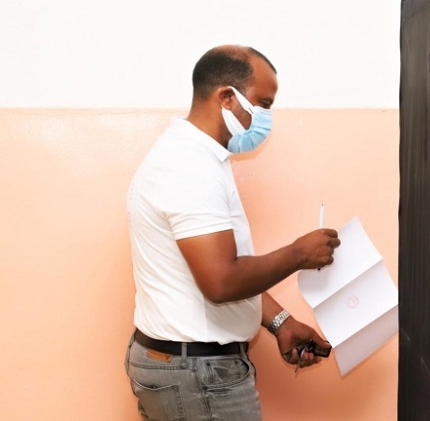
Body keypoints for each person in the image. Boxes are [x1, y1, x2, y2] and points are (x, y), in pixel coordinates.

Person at [124, 45, 340, 421]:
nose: (266, 117)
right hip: (196, 375)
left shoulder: (199, 157)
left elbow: (216, 267)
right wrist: (298, 254)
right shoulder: (189, 166)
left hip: (189, 368)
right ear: (227, 97)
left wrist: (280, 322)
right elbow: (222, 281)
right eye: (263, 104)